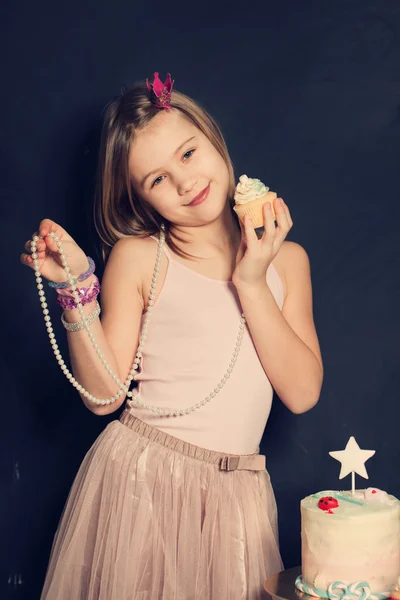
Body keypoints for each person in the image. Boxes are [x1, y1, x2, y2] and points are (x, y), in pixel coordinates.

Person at [21, 72, 323, 600]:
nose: (185, 182)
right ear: (140, 198)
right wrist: (77, 290)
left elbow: (301, 392)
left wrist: (252, 280)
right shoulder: (141, 258)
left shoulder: (287, 262)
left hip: (239, 499)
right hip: (145, 486)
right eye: (157, 179)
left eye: (188, 154)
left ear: (213, 139)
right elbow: (103, 396)